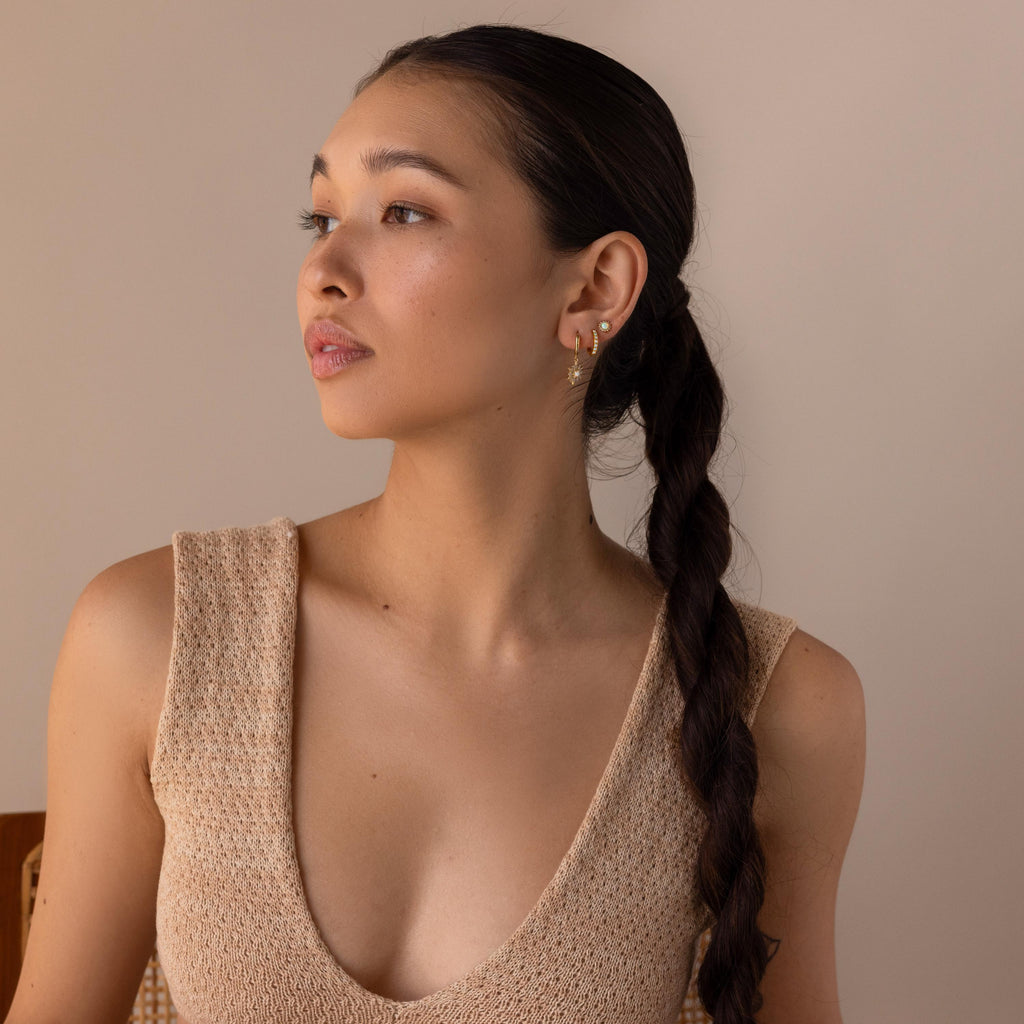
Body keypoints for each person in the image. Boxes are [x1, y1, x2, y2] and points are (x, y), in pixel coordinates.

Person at [6, 22, 866, 1024]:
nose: (323, 269)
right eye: (320, 215)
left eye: (404, 211)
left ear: (595, 287)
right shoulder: (156, 639)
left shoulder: (777, 704)